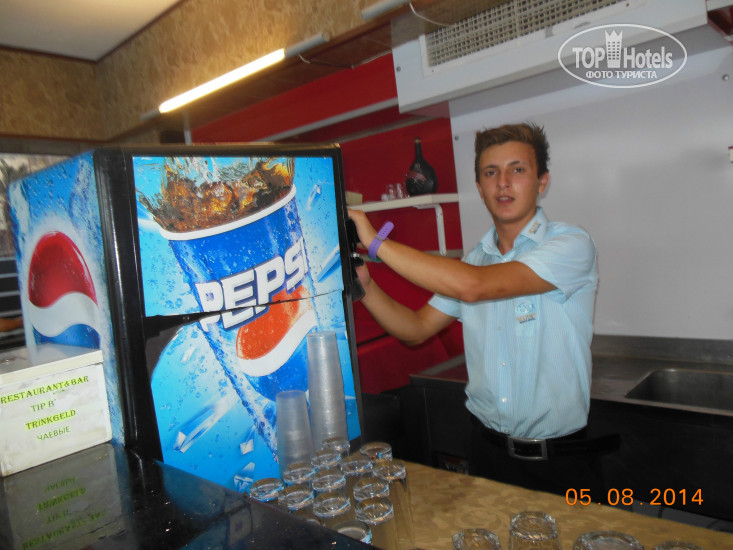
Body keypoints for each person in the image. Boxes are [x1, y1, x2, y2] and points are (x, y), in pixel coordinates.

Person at [348, 122, 609, 495]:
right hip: (486, 454)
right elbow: (416, 329)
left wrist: (376, 244)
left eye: (517, 170)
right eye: (490, 173)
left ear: (542, 182)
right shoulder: (475, 260)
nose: (503, 183)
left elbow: (474, 287)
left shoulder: (572, 244)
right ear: (480, 188)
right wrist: (367, 287)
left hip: (558, 463)